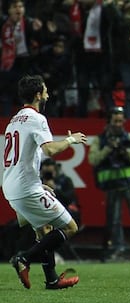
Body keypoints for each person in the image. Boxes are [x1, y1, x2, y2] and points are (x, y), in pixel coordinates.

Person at [2, 74, 87, 289]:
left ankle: (51, 279)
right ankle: (24, 259)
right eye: (46, 90)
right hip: (25, 188)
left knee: (44, 230)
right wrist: (71, 140)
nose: (48, 94)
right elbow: (49, 149)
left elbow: (22, 158)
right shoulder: (36, 118)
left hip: (12, 186)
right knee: (70, 227)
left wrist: (39, 183)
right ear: (39, 95)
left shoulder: (14, 120)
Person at [88, 106, 130, 260]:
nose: (118, 124)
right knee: (114, 219)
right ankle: (117, 248)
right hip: (111, 184)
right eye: (115, 121)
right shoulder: (100, 140)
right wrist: (108, 149)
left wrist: (125, 151)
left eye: (121, 121)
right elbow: (93, 160)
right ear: (109, 121)